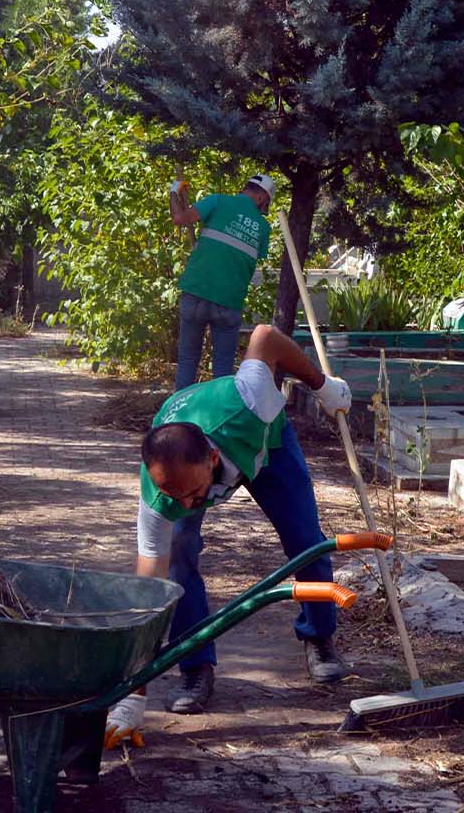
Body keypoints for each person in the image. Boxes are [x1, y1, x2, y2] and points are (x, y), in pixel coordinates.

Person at [102, 324, 355, 747]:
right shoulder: (160, 494)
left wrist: (322, 385)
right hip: (195, 437)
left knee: (305, 539)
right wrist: (133, 693)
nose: (186, 504)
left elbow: (264, 336)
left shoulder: (249, 400)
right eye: (173, 495)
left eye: (193, 493)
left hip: (266, 447)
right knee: (178, 561)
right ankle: (195, 667)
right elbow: (147, 591)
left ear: (213, 458)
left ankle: (320, 637)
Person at [168, 174, 276, 389]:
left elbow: (179, 219)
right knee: (223, 369)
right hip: (229, 301)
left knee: (188, 360)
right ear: (262, 198)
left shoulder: (217, 201)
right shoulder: (263, 228)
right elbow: (250, 257)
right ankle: (217, 418)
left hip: (197, 291)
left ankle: (178, 418)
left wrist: (174, 191)